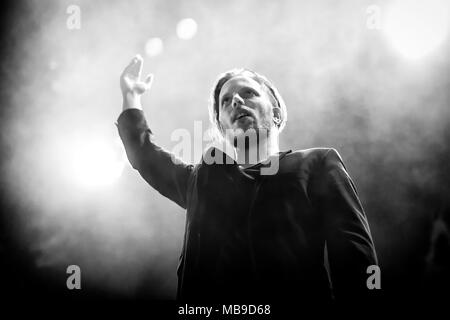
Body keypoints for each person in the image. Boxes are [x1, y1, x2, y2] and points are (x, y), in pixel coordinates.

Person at [116, 55, 378, 303]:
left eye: (249, 93)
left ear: (276, 113)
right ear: (221, 127)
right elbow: (145, 155)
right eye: (226, 100)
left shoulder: (317, 164)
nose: (236, 101)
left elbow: (355, 258)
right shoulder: (202, 181)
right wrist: (131, 97)